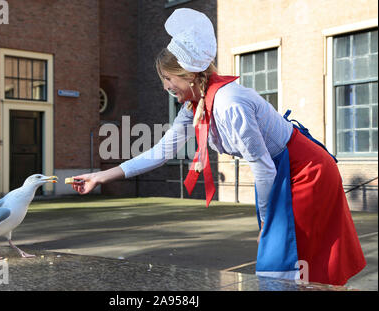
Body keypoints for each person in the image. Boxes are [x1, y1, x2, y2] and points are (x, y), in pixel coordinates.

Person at [71, 8, 366, 286]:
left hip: (304, 171)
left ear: (188, 75)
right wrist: (101, 176)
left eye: (168, 79)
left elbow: (263, 170)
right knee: (286, 258)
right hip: (282, 170)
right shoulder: (194, 104)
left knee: (292, 256)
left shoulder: (229, 104)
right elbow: (162, 152)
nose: (165, 87)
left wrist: (265, 220)